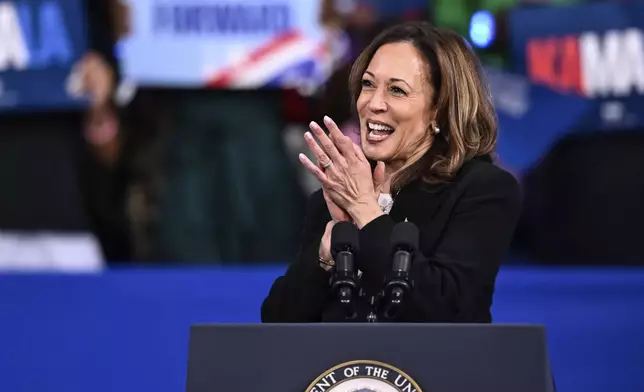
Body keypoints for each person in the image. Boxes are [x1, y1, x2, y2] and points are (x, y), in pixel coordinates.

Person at [261, 21, 521, 323]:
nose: (373, 103)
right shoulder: (336, 197)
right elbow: (277, 322)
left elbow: (450, 309)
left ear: (440, 109)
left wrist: (366, 214)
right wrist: (323, 260)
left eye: (397, 90)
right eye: (368, 84)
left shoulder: (482, 190)